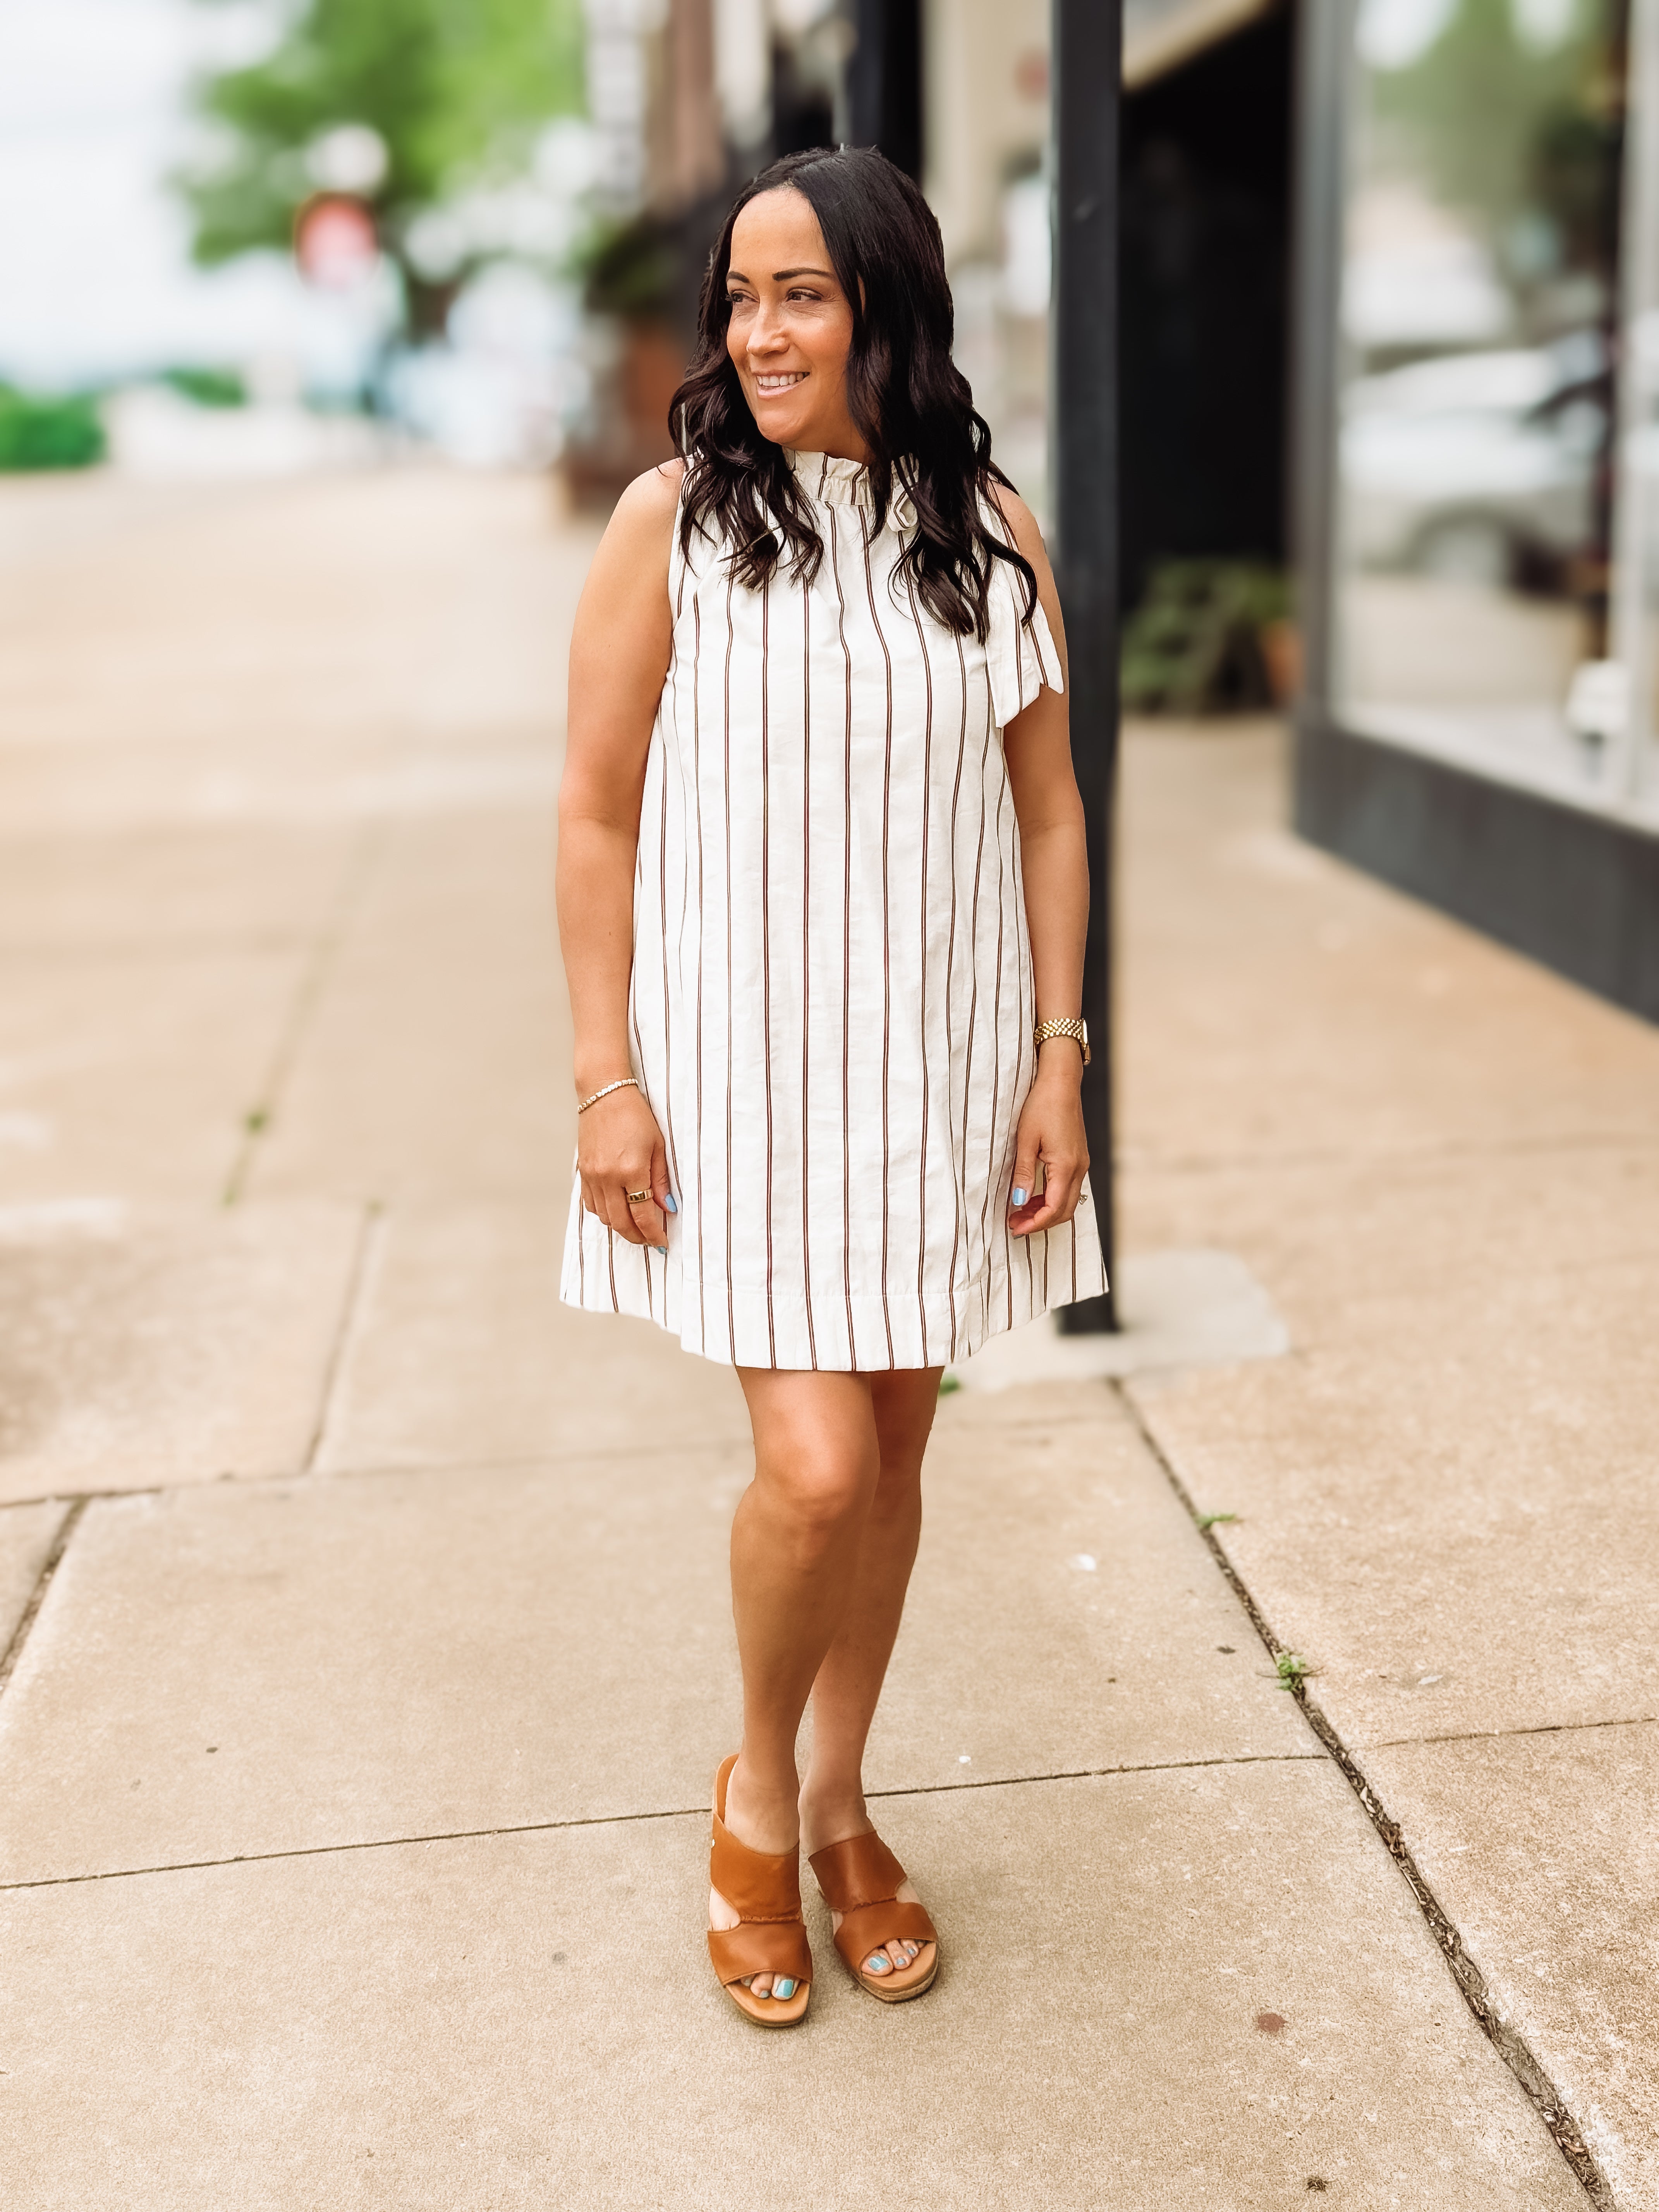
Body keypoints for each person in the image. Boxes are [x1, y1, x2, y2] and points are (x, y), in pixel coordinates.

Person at [556, 145, 1106, 2028]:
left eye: (799, 291)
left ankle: (849, 1804)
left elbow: (1047, 812)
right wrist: (600, 1077)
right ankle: (756, 1795)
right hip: (741, 1085)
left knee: (899, 1456)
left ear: (886, 302)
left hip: (935, 1074)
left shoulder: (991, 529)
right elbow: (594, 811)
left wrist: (1057, 1056)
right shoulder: (674, 522)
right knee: (815, 1465)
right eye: (740, 295)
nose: (760, 328)